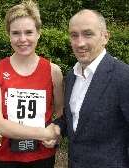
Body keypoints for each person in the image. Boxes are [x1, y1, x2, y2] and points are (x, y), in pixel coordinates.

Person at [44, 9, 129, 168]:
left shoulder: (123, 77)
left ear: (105, 37)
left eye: (88, 34)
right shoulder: (71, 76)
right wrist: (58, 127)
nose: (79, 43)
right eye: (74, 35)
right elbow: (76, 118)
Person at [0, 0, 63, 167]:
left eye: (29, 32)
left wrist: (56, 133)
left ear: (38, 33)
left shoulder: (53, 71)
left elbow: (60, 113)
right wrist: (43, 133)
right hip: (7, 157)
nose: (22, 39)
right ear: (8, 35)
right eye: (16, 33)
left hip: (43, 156)